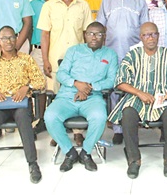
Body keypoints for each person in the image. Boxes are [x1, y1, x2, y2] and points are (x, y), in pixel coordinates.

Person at [107, 22, 167, 179]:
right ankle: (134, 160)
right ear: (141, 37)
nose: (150, 38)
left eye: (153, 34)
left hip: (163, 96)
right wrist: (139, 93)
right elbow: (120, 81)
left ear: (158, 36)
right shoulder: (133, 55)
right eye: (146, 35)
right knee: (128, 114)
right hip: (137, 96)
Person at [0, 26, 45, 186]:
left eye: (12, 37)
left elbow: (41, 81)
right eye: (4, 38)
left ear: (17, 38)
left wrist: (28, 87)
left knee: (24, 122)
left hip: (20, 103)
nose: (9, 41)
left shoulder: (26, 59)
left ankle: (33, 164)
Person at [45, 22, 118, 172]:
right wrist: (77, 84)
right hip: (67, 96)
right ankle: (69, 152)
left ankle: (86, 153)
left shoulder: (110, 54)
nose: (94, 37)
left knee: (99, 117)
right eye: (91, 33)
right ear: (85, 35)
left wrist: (89, 87)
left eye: (99, 34)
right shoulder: (73, 51)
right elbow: (61, 74)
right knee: (50, 116)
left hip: (93, 97)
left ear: (104, 37)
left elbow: (111, 80)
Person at [38, 0, 92, 146]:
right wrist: (45, 59)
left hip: (77, 61)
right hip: (55, 59)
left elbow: (87, 34)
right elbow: (45, 35)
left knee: (77, 94)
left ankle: (78, 133)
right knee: (56, 96)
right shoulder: (49, 6)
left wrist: (88, 59)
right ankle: (56, 133)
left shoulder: (83, 5)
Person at [97, 0, 148, 145]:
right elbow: (99, 28)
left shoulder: (139, 1)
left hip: (134, 54)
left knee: (133, 89)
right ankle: (117, 129)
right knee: (114, 91)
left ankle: (131, 126)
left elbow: (146, 28)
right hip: (111, 54)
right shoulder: (107, 1)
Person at [30, 0, 57, 134]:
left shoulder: (58, 3)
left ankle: (54, 120)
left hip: (55, 49)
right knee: (39, 87)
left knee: (54, 88)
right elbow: (27, 28)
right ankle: (40, 119)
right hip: (37, 51)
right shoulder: (32, 4)